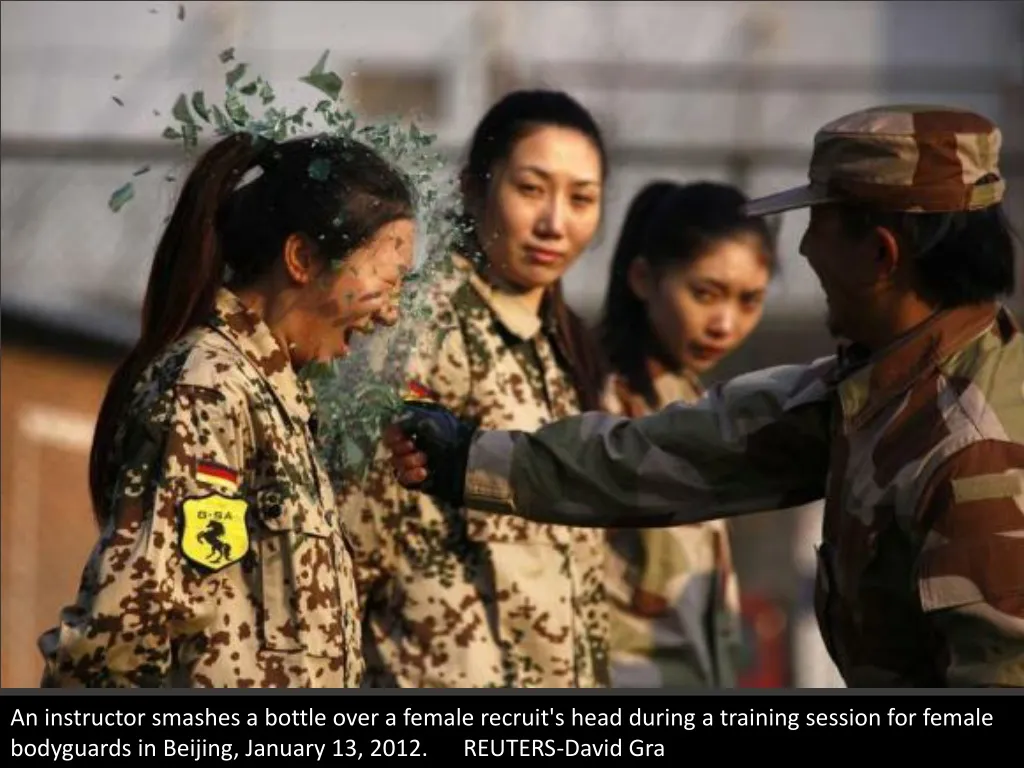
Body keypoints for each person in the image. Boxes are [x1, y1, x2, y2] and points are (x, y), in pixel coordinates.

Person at [385, 104, 1024, 688]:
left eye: (818, 226)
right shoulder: (877, 389)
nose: (803, 249)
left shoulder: (974, 454)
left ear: (881, 255)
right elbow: (679, 450)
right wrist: (470, 458)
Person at [38, 130, 416, 687]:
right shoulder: (209, 387)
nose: (390, 313)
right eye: (386, 281)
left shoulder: (274, 397)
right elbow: (125, 624)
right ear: (303, 258)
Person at [337, 89, 611, 687]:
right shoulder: (417, 327)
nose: (555, 222)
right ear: (473, 187)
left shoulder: (560, 342)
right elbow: (348, 546)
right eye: (531, 189)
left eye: (582, 198)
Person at [597, 180, 777, 688]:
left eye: (749, 300)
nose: (724, 323)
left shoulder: (693, 405)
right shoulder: (597, 405)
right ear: (642, 278)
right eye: (705, 293)